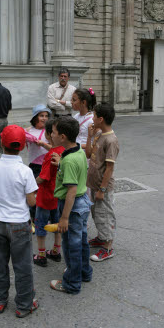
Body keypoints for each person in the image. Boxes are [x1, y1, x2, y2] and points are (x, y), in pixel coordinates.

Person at [0, 125, 39, 317]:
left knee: (0, 263)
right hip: (19, 224)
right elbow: (31, 201)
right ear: (24, 146)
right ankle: (24, 304)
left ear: (1, 143)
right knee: (22, 266)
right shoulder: (25, 171)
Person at [49, 117, 93, 294]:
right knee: (81, 240)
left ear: (63, 137)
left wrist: (64, 217)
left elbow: (71, 191)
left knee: (71, 246)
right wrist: (61, 162)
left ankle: (72, 283)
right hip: (82, 204)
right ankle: (84, 272)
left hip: (72, 207)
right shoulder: (77, 152)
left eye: (53, 132)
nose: (51, 135)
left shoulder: (68, 161)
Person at [86, 102, 119, 262]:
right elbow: (88, 154)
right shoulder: (99, 134)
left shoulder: (111, 140)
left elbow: (109, 168)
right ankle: (101, 237)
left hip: (102, 187)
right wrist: (90, 136)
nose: (91, 118)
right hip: (93, 184)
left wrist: (102, 189)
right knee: (96, 214)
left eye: (93, 115)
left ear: (100, 119)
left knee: (105, 215)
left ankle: (108, 247)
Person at [33, 119, 64, 267]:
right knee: (56, 224)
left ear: (48, 134)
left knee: (40, 225)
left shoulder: (50, 155)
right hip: (58, 196)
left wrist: (30, 186)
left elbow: (43, 178)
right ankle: (56, 251)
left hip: (45, 198)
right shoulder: (63, 152)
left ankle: (41, 254)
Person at [25, 104, 51, 224]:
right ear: (35, 117)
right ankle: (34, 217)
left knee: (46, 192)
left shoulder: (50, 132)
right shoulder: (29, 131)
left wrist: (43, 144)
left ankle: (47, 215)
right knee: (33, 192)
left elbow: (55, 148)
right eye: (41, 116)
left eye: (46, 116)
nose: (44, 118)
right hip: (34, 166)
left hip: (47, 165)